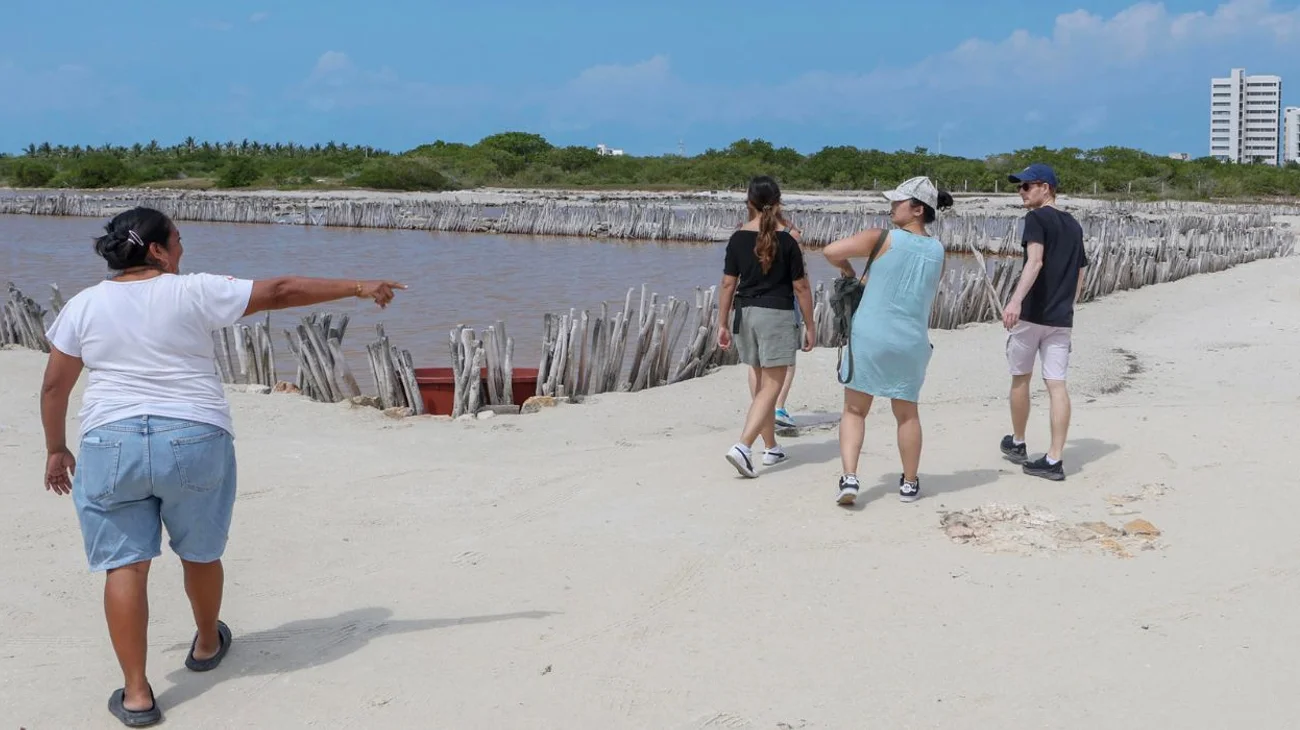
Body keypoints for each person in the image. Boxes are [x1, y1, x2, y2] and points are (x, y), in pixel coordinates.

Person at [39, 206, 405, 727]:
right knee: (200, 552)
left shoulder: (83, 305)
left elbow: (55, 385)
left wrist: (56, 447)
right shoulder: (193, 290)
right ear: (158, 250)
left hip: (111, 439)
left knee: (125, 565)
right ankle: (208, 644)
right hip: (193, 434)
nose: (183, 249)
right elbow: (281, 290)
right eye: (178, 240)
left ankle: (139, 694)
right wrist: (359, 286)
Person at [823, 177, 952, 506]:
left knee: (854, 410)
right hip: (911, 340)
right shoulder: (938, 251)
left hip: (870, 336)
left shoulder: (881, 237)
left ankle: (850, 478)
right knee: (907, 414)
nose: (891, 206)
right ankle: (909, 483)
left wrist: (850, 272)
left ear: (917, 209)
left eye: (898, 202)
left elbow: (830, 251)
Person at [718, 176, 815, 478]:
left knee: (760, 381)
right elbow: (800, 287)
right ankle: (744, 447)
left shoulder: (737, 238)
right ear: (779, 202)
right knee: (772, 386)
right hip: (776, 314)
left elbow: (727, 284)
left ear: (748, 202)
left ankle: (771, 447)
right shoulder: (787, 240)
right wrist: (810, 325)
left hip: (745, 313)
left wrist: (721, 322)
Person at [998, 163, 1089, 481]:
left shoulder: (1036, 218)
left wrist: (1015, 300)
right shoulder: (1074, 225)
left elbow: (1034, 262)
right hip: (1061, 318)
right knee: (1057, 385)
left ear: (1045, 187)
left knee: (1020, 378)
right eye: (1019, 187)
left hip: (1033, 314)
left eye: (1026, 186)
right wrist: (1068, 305)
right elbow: (1079, 273)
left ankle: (1018, 442)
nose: (1020, 192)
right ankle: (1054, 459)